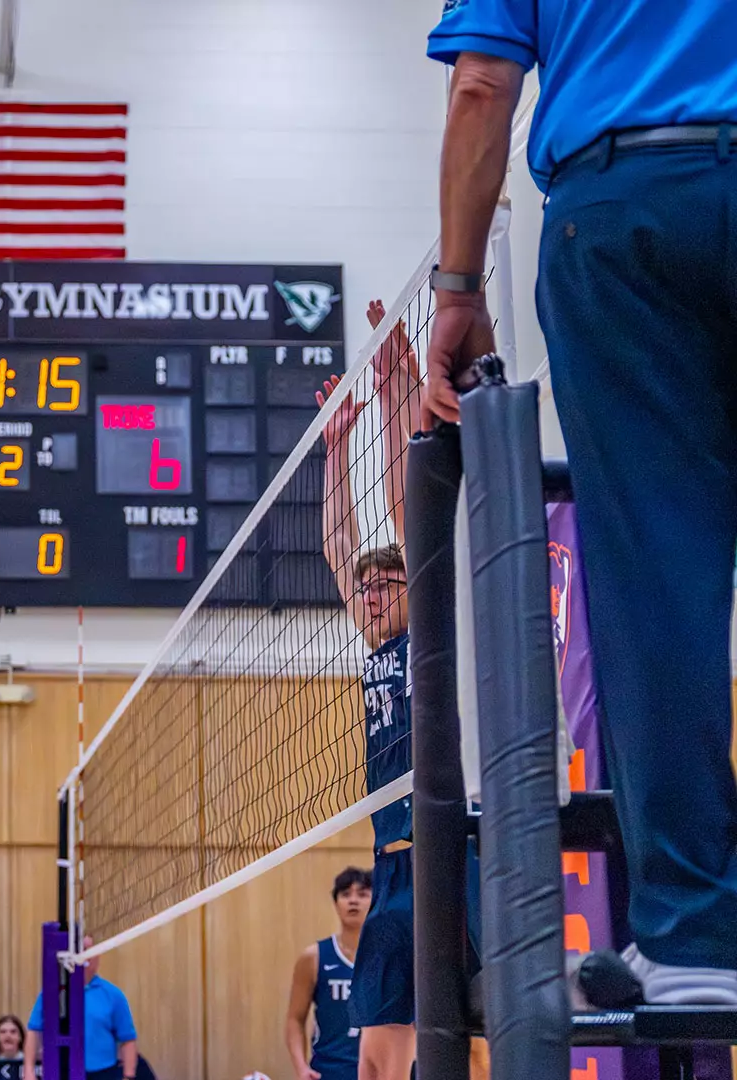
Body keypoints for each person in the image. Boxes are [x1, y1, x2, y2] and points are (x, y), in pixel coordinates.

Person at [425, 0, 737, 1005]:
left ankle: (695, 943)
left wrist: (460, 289)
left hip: (624, 216)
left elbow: (482, 86)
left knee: (656, 578)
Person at [313, 298, 426, 1080]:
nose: (376, 592)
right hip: (389, 859)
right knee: (376, 1063)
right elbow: (339, 543)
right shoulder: (370, 638)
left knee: (474, 1042)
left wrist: (392, 395)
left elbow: (402, 504)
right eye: (369, 588)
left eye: (390, 581)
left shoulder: (432, 628)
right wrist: (332, 449)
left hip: (455, 843)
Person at [284, 869, 370, 1080]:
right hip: (330, 1071)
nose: (353, 901)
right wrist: (301, 1068)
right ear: (335, 902)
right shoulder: (314, 957)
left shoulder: (390, 958)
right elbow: (295, 1019)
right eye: (345, 894)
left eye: (362, 894)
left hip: (378, 1070)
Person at [21, 944, 139, 1080]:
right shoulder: (51, 992)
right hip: (62, 1072)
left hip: (103, 1073)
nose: (85, 956)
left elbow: (128, 1038)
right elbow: (34, 1030)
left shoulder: (113, 995)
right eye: (81, 951)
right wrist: (29, 1071)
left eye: (90, 951)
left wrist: (128, 1076)